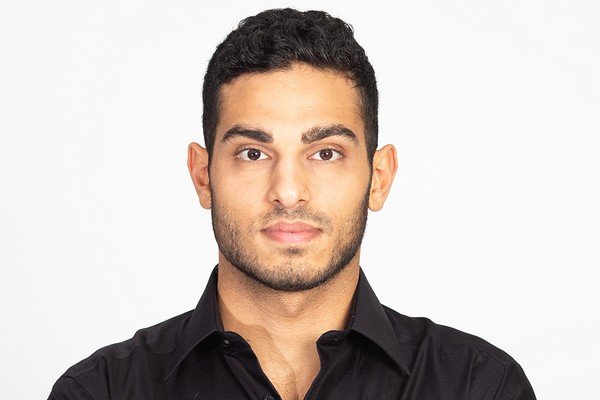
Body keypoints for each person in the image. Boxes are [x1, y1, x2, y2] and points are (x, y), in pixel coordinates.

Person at [48, 8, 536, 400]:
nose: (287, 190)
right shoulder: (101, 391)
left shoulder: (479, 387)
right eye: (253, 153)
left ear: (379, 178)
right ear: (202, 176)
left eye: (325, 153)